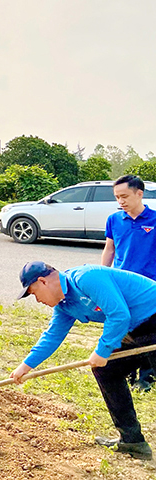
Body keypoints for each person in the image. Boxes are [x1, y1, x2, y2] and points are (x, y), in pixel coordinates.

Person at [12, 261, 156, 460]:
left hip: (153, 316)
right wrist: (24, 367)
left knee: (108, 364)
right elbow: (52, 336)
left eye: (33, 293)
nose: (37, 300)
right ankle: (133, 442)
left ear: (43, 281)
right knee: (107, 370)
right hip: (138, 328)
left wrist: (103, 349)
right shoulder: (64, 305)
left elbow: (119, 314)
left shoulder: (87, 278)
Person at [101, 175, 156, 390]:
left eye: (124, 196)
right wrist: (103, 275)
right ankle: (126, 371)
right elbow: (110, 248)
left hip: (149, 287)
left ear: (139, 194)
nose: (120, 201)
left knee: (147, 331)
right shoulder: (114, 220)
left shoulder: (154, 219)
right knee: (124, 326)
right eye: (117, 197)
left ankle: (147, 376)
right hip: (121, 286)